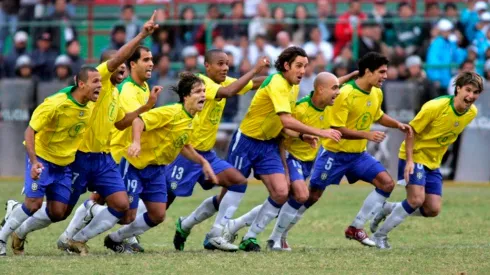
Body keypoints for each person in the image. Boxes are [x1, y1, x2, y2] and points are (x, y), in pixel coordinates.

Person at [6, 12, 162, 256]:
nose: (122, 68)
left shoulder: (116, 93)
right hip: (79, 157)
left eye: (124, 66)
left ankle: (76, 239)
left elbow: (120, 123)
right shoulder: (98, 82)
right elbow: (118, 58)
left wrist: (144, 108)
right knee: (59, 212)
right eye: (118, 64)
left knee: (122, 206)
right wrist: (142, 34)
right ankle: (21, 228)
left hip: (103, 159)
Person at [222, 71, 358, 251]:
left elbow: (331, 84)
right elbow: (282, 133)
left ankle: (238, 226)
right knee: (301, 195)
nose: (338, 92)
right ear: (320, 90)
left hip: (308, 160)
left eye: (337, 88)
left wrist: (352, 76)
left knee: (282, 199)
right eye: (334, 89)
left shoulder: (328, 103)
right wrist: (289, 161)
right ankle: (274, 239)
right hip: (291, 157)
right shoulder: (300, 108)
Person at [302, 52, 412, 247]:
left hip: (358, 155)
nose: (385, 76)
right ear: (367, 72)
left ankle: (356, 227)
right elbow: (336, 129)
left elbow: (377, 115)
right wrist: (367, 135)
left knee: (386, 184)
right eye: (381, 72)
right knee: (311, 196)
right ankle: (279, 230)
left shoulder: (377, 92)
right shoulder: (344, 94)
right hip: (334, 154)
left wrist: (397, 124)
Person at [103, 73, 219, 253]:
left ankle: (115, 238)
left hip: (156, 168)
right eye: (198, 91)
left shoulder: (193, 119)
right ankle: (79, 233)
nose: (203, 94)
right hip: (135, 162)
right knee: (124, 214)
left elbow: (184, 145)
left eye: (204, 91)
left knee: (158, 214)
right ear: (186, 96)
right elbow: (138, 121)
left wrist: (203, 162)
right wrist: (136, 142)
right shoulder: (171, 112)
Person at [169, 49, 270, 252]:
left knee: (238, 181)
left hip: (207, 154)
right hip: (185, 152)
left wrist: (278, 79)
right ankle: (128, 234)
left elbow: (249, 84)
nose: (225, 67)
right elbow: (229, 92)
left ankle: (215, 233)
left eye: (227, 64)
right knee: (160, 204)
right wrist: (255, 69)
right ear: (207, 66)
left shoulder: (224, 82)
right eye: (221, 63)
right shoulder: (203, 83)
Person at [370, 71, 483, 249]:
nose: (471, 96)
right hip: (414, 156)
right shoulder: (435, 107)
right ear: (458, 89)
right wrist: (409, 161)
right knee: (415, 200)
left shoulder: (471, 113)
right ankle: (379, 235)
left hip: (433, 161)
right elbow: (411, 131)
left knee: (432, 209)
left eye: (476, 92)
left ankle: (387, 208)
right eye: (468, 90)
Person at [0, 66, 102, 256]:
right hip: (42, 160)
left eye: (101, 82)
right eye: (96, 81)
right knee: (33, 204)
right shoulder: (55, 104)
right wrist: (34, 161)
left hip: (64, 165)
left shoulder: (91, 105)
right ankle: (0, 239)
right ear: (81, 84)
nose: (100, 86)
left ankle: (16, 216)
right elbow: (30, 131)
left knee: (58, 212)